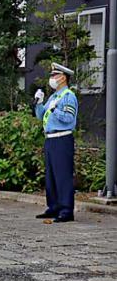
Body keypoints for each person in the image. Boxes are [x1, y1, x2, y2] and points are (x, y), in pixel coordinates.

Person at [34, 63, 78, 223]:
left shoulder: (68, 96)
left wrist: (54, 110)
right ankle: (53, 207)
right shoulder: (53, 97)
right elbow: (41, 117)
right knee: (51, 176)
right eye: (51, 75)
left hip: (62, 138)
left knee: (63, 176)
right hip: (50, 139)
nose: (51, 78)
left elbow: (68, 118)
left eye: (55, 75)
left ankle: (66, 210)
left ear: (63, 77)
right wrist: (39, 103)